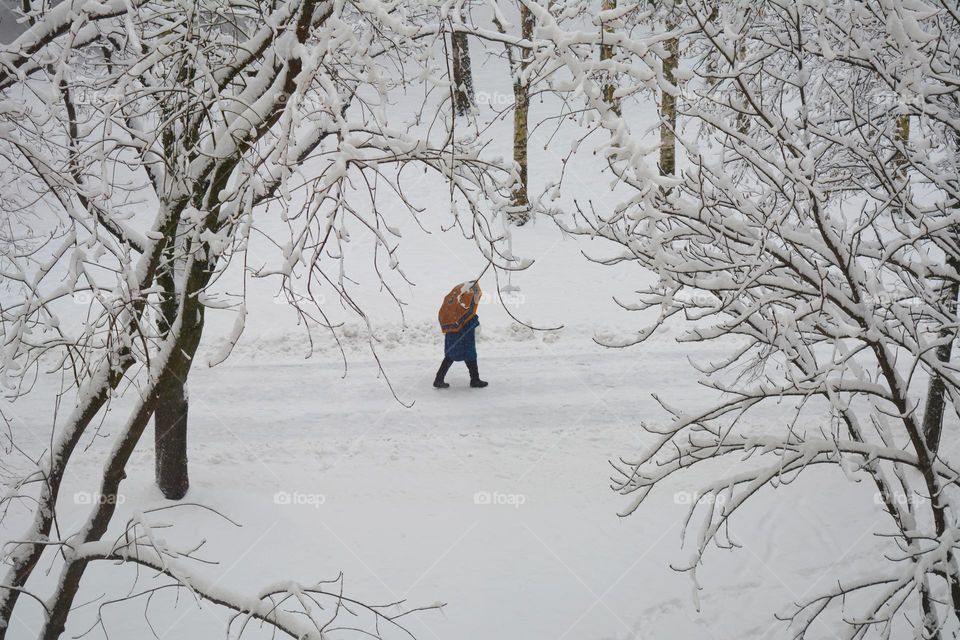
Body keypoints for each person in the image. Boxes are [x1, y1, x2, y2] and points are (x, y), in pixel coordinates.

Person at [434, 314, 488, 388]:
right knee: (470, 355)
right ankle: (475, 380)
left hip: (452, 333)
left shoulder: (452, 306)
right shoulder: (465, 308)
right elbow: (470, 322)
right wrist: (474, 319)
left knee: (450, 356)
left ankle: (439, 379)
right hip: (464, 335)